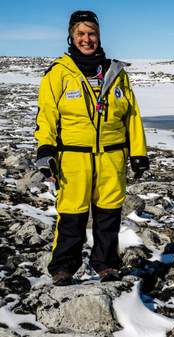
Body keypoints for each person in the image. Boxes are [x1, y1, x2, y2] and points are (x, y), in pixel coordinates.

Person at [34, 10, 149, 286]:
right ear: (71, 37)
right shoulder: (59, 73)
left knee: (108, 217)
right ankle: (63, 269)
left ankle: (106, 265)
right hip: (74, 157)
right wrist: (46, 151)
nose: (87, 39)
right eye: (81, 34)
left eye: (91, 33)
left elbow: (132, 116)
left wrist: (139, 153)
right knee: (72, 217)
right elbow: (47, 115)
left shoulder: (116, 73)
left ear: (99, 36)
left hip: (112, 157)